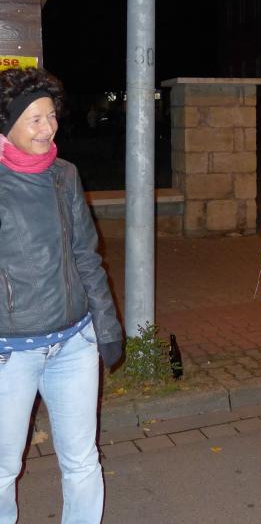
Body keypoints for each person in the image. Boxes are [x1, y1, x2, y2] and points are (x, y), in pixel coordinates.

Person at [0, 67, 122, 524]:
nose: (47, 128)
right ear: (7, 124)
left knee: (82, 460)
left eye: (51, 116)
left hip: (74, 343)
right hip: (10, 352)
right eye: (34, 119)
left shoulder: (64, 174)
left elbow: (86, 255)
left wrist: (106, 326)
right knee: (2, 469)